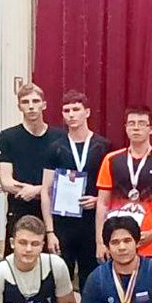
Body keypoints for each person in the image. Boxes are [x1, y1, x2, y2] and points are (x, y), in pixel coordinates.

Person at [41, 91, 111, 289]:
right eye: (66, 110)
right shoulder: (55, 147)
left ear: (87, 112)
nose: (71, 114)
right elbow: (46, 191)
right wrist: (50, 231)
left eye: (76, 109)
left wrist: (98, 200)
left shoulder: (103, 146)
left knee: (92, 281)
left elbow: (111, 188)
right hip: (63, 225)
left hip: (91, 224)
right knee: (60, 282)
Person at [95, 106, 152, 262]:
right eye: (131, 123)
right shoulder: (111, 160)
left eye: (142, 123)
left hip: (151, 243)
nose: (136, 128)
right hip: (117, 241)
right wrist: (100, 241)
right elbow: (102, 203)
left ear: (151, 129)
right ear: (125, 128)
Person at [0, 83, 65, 253]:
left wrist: (37, 190)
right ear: (19, 106)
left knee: (51, 262)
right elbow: (6, 182)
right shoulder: (7, 137)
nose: (31, 106)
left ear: (44, 104)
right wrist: (35, 191)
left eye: (35, 101)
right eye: (25, 102)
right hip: (20, 210)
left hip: (52, 214)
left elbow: (64, 180)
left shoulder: (60, 137)